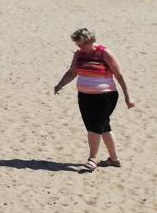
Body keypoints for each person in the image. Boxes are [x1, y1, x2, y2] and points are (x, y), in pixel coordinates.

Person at [53, 28, 136, 171]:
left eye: (81, 44)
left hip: (105, 96)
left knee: (94, 127)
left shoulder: (105, 53)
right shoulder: (79, 54)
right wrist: (60, 84)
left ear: (90, 40)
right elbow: (72, 72)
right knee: (103, 127)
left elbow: (119, 75)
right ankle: (114, 159)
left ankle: (92, 159)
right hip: (84, 96)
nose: (79, 47)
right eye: (77, 44)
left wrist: (128, 97)